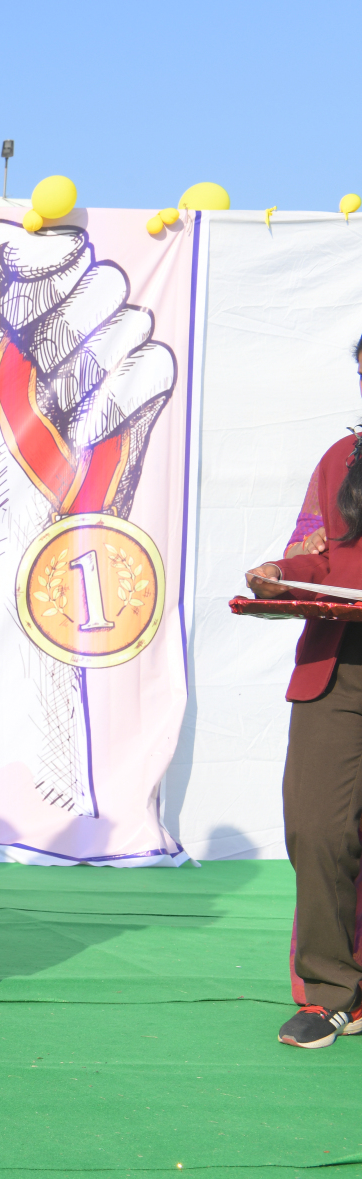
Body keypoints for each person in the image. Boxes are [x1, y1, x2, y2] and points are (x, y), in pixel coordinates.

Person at [248, 347, 362, 1047]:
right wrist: (280, 572)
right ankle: (330, 992)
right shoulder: (342, 458)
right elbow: (321, 557)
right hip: (337, 665)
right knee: (315, 827)